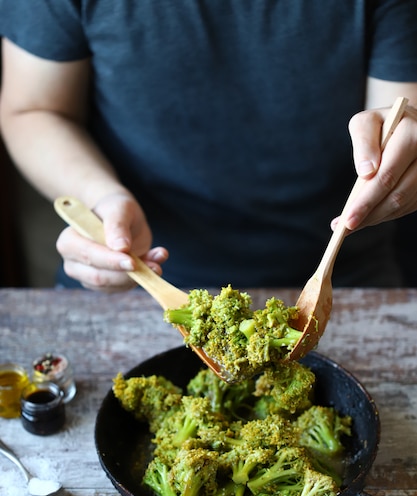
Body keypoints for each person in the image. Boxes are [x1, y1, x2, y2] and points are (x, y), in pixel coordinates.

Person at [1, 1, 417, 293]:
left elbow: (396, 116)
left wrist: (395, 155)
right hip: (140, 272)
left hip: (341, 273)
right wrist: (103, 198)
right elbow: (32, 109)